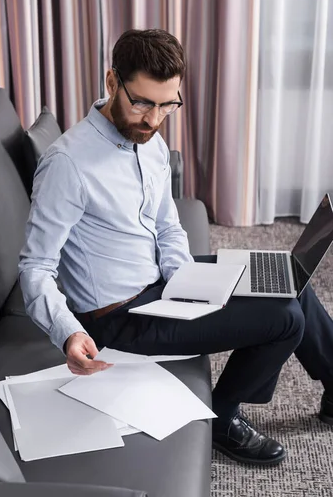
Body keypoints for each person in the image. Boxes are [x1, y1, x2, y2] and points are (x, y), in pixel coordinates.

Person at [19, 28, 333, 466]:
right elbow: (35, 267)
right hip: (118, 319)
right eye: (143, 102)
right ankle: (222, 419)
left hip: (164, 289)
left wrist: (189, 280)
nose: (153, 118)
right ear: (112, 83)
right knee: (283, 319)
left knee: (285, 278)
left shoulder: (151, 143)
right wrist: (68, 332)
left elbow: (167, 227)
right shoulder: (67, 164)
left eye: (168, 104)